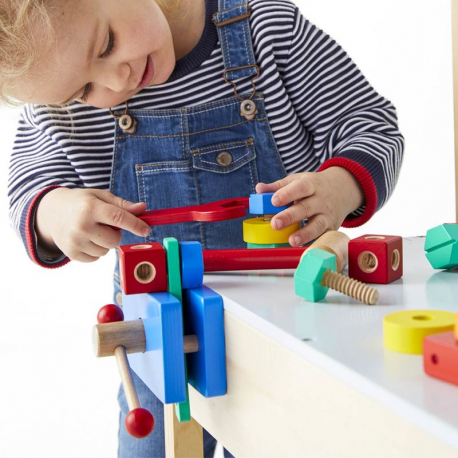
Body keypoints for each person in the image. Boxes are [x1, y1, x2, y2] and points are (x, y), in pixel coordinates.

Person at [4, 0, 404, 456]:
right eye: (83, 90)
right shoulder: (62, 107)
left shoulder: (267, 31)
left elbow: (373, 126)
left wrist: (340, 186)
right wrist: (54, 212)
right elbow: (29, 189)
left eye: (108, 44)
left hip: (289, 337)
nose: (115, 80)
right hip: (155, 340)